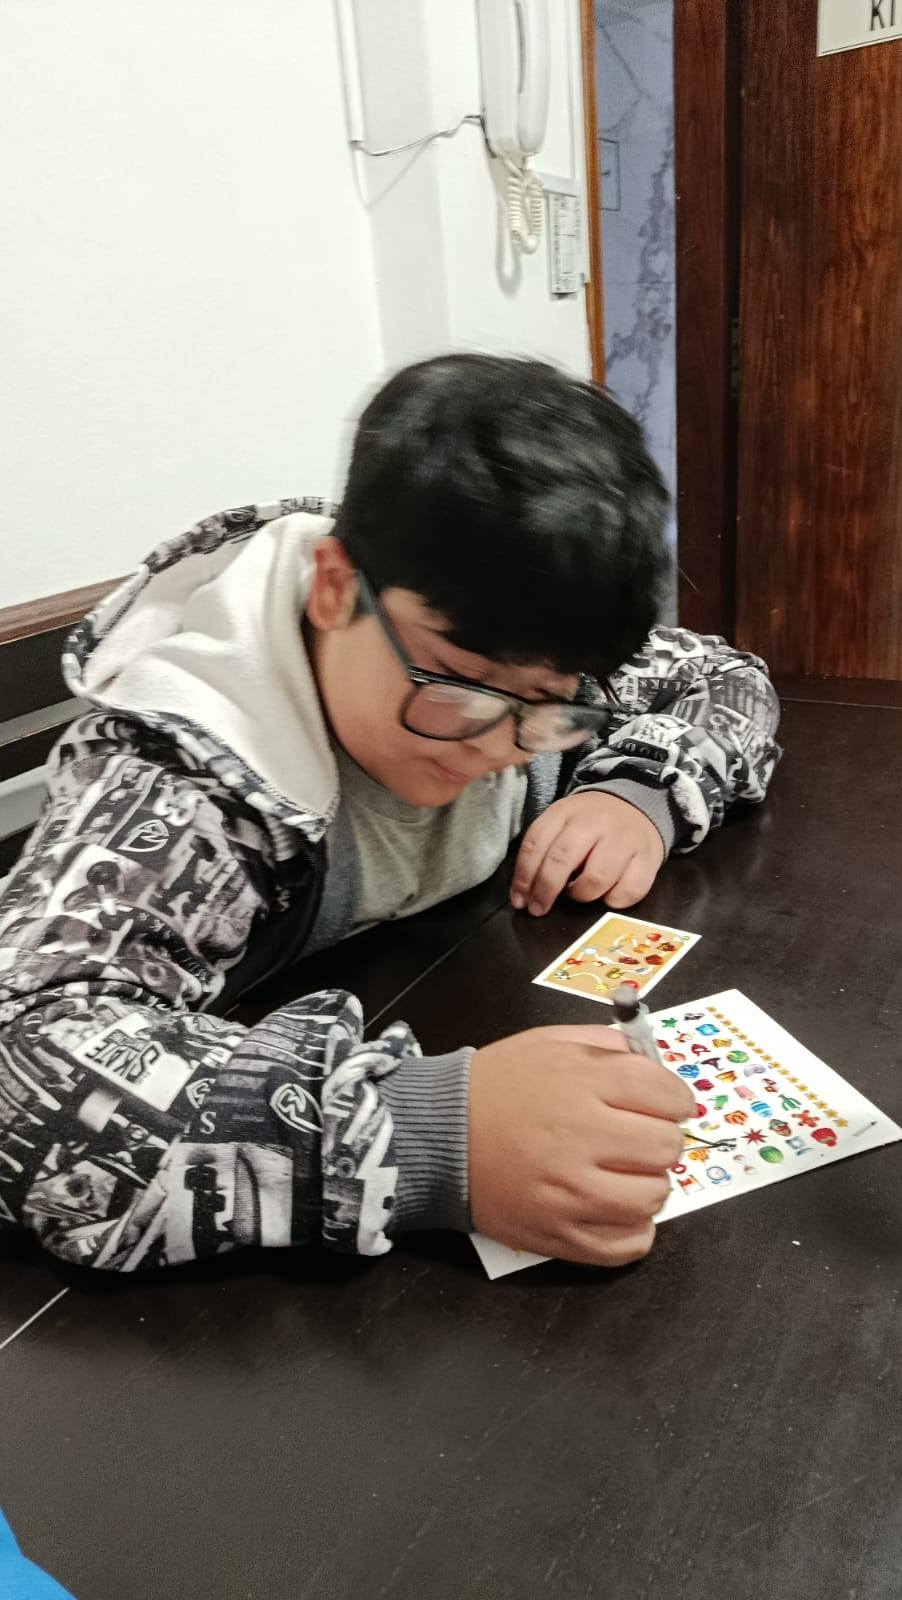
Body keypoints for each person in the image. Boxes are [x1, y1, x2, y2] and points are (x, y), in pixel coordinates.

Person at [0, 355, 781, 1273]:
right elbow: (25, 1048)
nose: (502, 744)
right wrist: (424, 1134)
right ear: (335, 588)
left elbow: (719, 676)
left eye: (549, 702)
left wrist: (638, 794)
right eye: (461, 686)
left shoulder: (515, 636)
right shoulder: (180, 779)